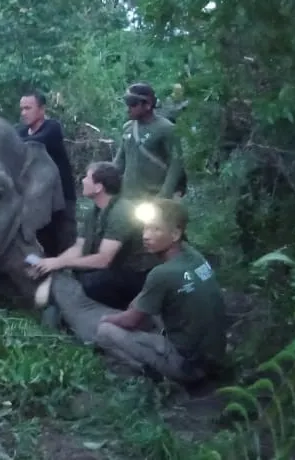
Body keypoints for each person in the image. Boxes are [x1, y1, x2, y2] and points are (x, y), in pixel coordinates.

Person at [96, 198, 227, 384]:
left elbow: (130, 321)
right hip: (215, 356)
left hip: (187, 366)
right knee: (142, 303)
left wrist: (107, 318)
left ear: (175, 234)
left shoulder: (162, 274)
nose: (146, 236)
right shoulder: (194, 256)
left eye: (155, 229)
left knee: (105, 332)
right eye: (145, 228)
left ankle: (150, 374)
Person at [30, 161, 160, 310]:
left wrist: (59, 263)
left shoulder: (121, 212)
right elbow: (79, 247)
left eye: (87, 177)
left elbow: (103, 260)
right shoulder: (94, 212)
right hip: (116, 269)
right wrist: (52, 263)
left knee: (92, 283)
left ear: (99, 187)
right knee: (78, 272)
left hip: (138, 275)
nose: (83, 180)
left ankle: (128, 309)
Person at [17, 91, 78, 256]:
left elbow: (37, 142)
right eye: (22, 109)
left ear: (42, 109)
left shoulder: (52, 128)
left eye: (28, 108)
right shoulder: (21, 132)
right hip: (36, 199)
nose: (23, 113)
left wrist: (10, 142)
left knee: (64, 241)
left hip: (62, 198)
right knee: (41, 242)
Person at [112, 83, 186, 200]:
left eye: (133, 104)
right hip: (128, 197)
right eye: (127, 103)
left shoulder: (166, 128)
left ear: (147, 105)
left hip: (154, 197)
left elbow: (176, 164)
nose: (128, 108)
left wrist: (165, 194)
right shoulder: (128, 128)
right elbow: (119, 162)